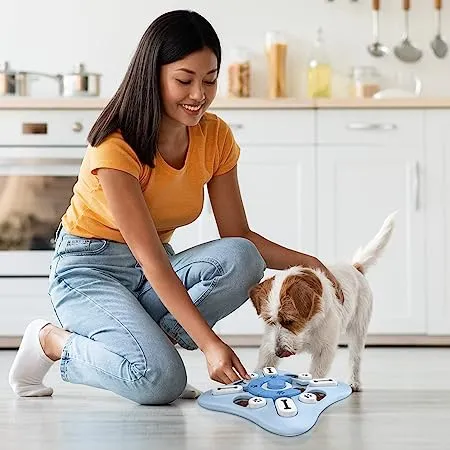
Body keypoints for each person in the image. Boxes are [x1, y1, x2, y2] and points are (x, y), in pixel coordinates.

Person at [8, 10, 342, 405]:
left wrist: (313, 264)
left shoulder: (214, 136)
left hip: (152, 272)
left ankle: (151, 349)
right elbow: (151, 261)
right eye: (184, 80)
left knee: (244, 257)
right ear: (154, 75)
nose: (198, 94)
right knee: (160, 384)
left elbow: (238, 236)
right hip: (89, 271)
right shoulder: (117, 145)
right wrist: (210, 345)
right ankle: (51, 341)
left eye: (210, 79)